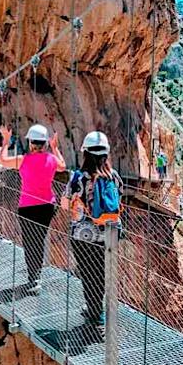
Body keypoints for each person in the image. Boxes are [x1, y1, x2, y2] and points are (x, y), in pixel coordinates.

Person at [64, 131, 123, 334]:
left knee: (88, 273)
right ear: (106, 153)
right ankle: (96, 311)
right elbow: (118, 201)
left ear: (85, 153)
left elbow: (65, 204)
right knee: (100, 273)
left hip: (83, 234)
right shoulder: (114, 176)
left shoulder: (78, 178)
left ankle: (96, 316)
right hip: (109, 233)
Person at [0, 124, 67, 294]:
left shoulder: (23, 160)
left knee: (30, 242)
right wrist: (55, 148)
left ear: (30, 143)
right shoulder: (51, 159)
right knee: (40, 238)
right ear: (45, 143)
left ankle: (33, 277)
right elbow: (63, 166)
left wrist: (6, 141)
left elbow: (3, 161)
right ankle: (37, 275)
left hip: (27, 206)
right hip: (47, 206)